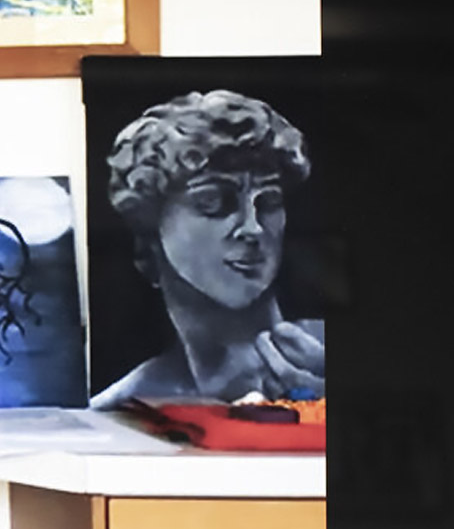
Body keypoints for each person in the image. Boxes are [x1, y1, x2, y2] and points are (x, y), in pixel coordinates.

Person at [90, 90, 326, 409]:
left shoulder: (328, 350)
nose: (253, 228)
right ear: (148, 246)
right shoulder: (125, 403)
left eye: (268, 202)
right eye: (212, 202)